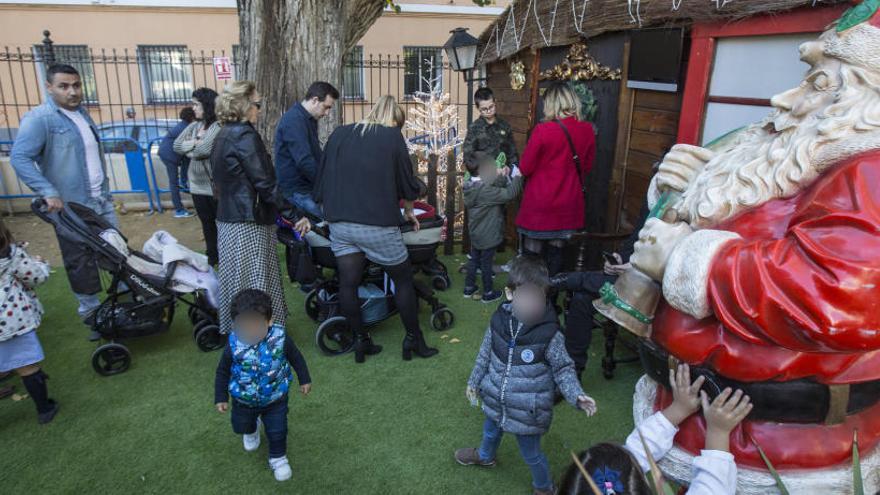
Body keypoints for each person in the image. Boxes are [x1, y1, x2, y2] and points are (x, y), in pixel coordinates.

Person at [455, 256, 598, 495]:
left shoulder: (550, 334)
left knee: (531, 454)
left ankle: (544, 487)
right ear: (510, 294)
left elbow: (564, 369)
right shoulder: (498, 321)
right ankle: (485, 455)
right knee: (490, 431)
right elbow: (484, 354)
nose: (534, 304)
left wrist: (577, 396)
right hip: (495, 399)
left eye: (539, 297)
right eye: (528, 296)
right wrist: (474, 381)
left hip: (528, 411)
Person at [314, 95, 437, 364]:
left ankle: (360, 341)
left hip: (340, 224)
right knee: (403, 279)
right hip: (376, 225)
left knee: (348, 282)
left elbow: (321, 179)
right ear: (394, 122)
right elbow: (407, 184)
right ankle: (414, 340)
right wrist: (408, 212)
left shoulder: (339, 134)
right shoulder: (391, 137)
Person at [10, 64, 117, 341]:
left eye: (76, 85)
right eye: (64, 86)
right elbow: (20, 157)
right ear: (49, 87)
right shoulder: (40, 118)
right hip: (70, 207)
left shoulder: (82, 114)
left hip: (100, 200)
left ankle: (123, 306)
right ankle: (93, 317)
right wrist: (47, 190)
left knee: (117, 253)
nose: (72, 91)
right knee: (80, 262)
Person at [558, 365, 750, 495]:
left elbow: (635, 451)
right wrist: (718, 432)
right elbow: (713, 489)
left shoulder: (610, 484)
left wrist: (678, 410)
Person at [211, 80, 307, 335]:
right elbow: (266, 183)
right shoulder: (244, 135)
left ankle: (243, 330)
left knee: (238, 279)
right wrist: (295, 215)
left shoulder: (223, 133)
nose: (260, 109)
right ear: (242, 105)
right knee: (255, 279)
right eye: (257, 104)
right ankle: (259, 333)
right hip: (247, 222)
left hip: (229, 219)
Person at [214, 289, 312, 482]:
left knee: (278, 430)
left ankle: (278, 458)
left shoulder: (280, 339)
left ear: (269, 321)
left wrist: (304, 379)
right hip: (243, 400)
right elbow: (222, 371)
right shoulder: (233, 344)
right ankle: (251, 430)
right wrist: (220, 397)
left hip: (276, 398)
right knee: (241, 425)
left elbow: (296, 358)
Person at [550, 199, 651, 379]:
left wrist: (635, 266)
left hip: (653, 288)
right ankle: (572, 373)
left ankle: (563, 281)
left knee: (591, 284)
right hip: (626, 278)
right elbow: (636, 238)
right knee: (582, 299)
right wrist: (620, 259)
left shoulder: (687, 208)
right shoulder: (655, 197)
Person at [516, 82, 596, 278]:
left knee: (531, 256)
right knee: (557, 254)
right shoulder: (587, 130)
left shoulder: (543, 131)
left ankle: (528, 299)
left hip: (540, 204)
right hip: (568, 204)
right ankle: (549, 301)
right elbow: (586, 167)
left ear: (551, 104)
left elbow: (525, 168)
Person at [0, 220, 58, 424]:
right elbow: (34, 278)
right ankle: (45, 409)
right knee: (27, 365)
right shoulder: (11, 255)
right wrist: (42, 264)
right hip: (11, 321)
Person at [462, 150, 523, 303]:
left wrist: (501, 174)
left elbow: (489, 183)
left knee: (474, 259)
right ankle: (488, 292)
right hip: (488, 235)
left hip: (475, 233)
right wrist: (517, 176)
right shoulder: (486, 190)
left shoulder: (469, 184)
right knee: (486, 264)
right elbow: (510, 194)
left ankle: (469, 288)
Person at [275, 81, 339, 218]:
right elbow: (304, 160)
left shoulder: (307, 119)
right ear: (315, 100)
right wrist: (324, 184)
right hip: (297, 191)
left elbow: (314, 154)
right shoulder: (294, 120)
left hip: (304, 188)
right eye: (326, 107)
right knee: (328, 223)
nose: (327, 113)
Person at [174, 88, 222, 266]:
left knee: (220, 224)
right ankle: (212, 256)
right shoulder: (194, 126)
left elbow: (204, 150)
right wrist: (194, 142)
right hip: (196, 186)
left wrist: (192, 150)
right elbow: (177, 145)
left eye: (196, 104)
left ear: (207, 106)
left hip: (213, 187)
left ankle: (224, 254)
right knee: (206, 224)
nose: (193, 108)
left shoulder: (217, 126)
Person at [462, 87, 519, 169]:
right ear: (478, 108)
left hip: (503, 173)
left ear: (495, 102)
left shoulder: (504, 126)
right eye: (484, 109)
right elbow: (468, 156)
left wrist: (511, 168)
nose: (488, 111)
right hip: (482, 175)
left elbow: (512, 152)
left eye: (491, 107)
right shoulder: (474, 128)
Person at [158, 107, 196, 218]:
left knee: (186, 160)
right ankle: (179, 210)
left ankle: (184, 182)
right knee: (173, 183)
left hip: (169, 154)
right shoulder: (184, 128)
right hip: (170, 156)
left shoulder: (183, 125)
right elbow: (190, 144)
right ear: (192, 117)